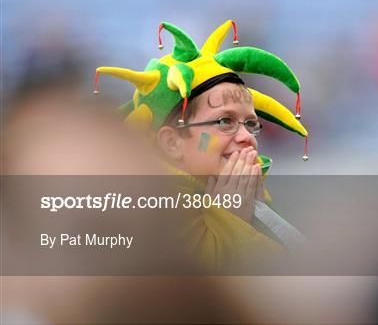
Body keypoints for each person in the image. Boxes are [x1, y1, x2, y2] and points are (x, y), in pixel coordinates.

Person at [95, 20, 308, 273]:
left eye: (251, 123)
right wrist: (232, 219)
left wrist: (259, 211)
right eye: (225, 121)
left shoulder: (251, 192)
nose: (246, 136)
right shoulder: (140, 218)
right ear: (172, 143)